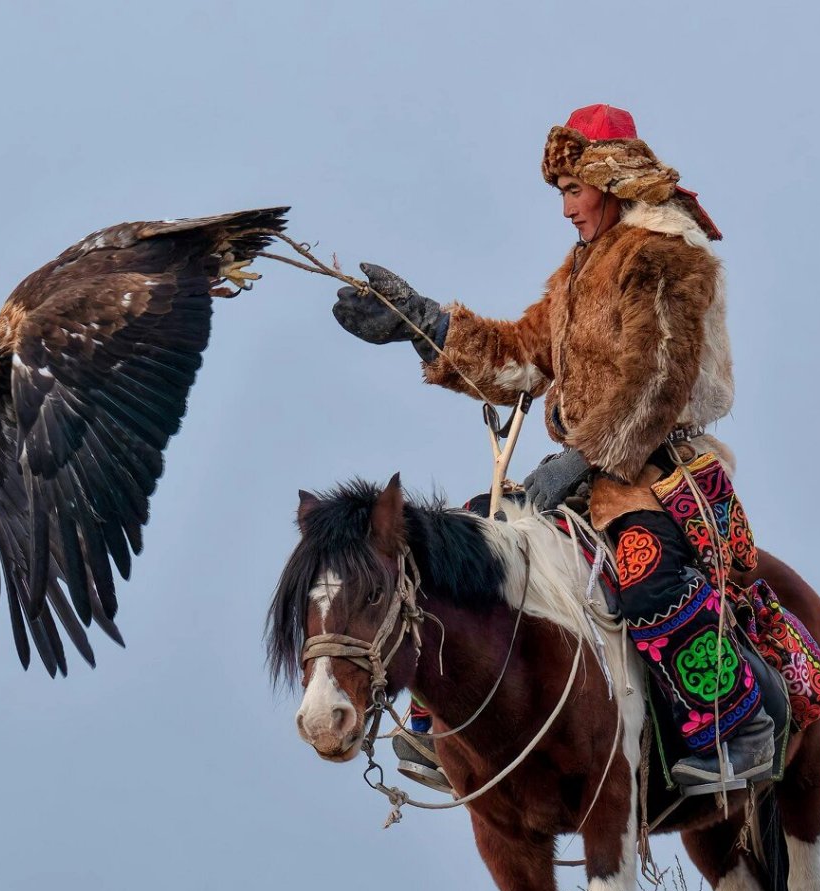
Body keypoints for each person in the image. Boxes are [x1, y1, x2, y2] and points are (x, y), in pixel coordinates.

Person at [332, 104, 776, 797]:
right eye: (561, 193)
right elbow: (516, 358)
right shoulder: (577, 274)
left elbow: (657, 381)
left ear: (613, 181)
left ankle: (730, 726)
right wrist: (420, 324)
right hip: (573, 476)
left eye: (574, 190)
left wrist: (583, 457)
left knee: (646, 573)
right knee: (458, 542)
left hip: (656, 470)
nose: (565, 209)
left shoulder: (665, 258)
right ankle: (438, 725)